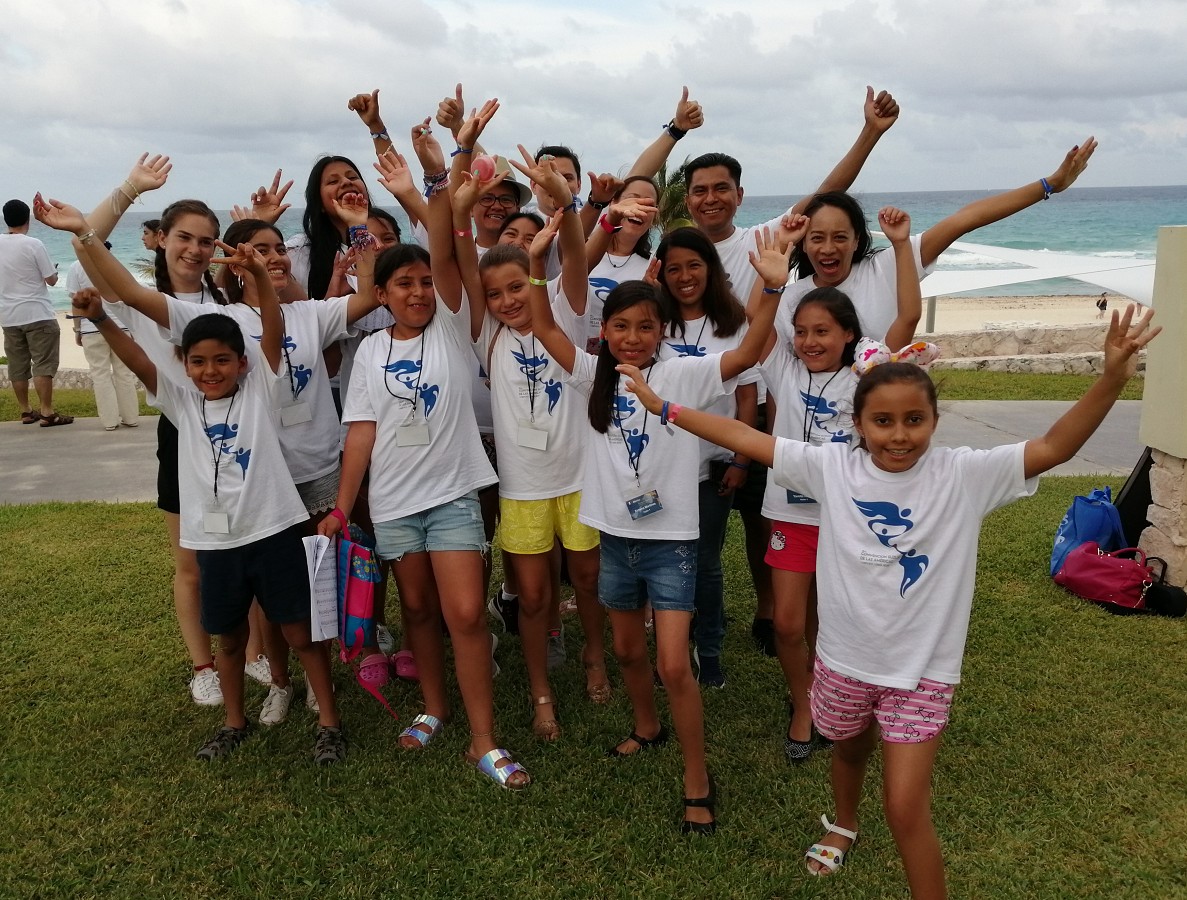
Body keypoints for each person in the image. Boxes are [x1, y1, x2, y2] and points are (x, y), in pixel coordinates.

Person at [617, 304, 1158, 897]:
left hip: (921, 674)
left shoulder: (963, 476)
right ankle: (844, 823)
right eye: (883, 421)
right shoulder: (832, 468)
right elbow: (746, 435)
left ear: (933, 419)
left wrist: (1111, 379)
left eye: (914, 420)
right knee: (847, 755)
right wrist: (664, 407)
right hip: (845, 662)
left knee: (905, 808)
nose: (899, 435)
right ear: (859, 423)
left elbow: (1054, 446)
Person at [39, 195, 348, 762]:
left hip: (274, 527)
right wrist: (102, 319)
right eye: (199, 362)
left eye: (223, 361)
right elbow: (138, 360)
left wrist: (257, 273)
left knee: (299, 632)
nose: (211, 371)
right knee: (230, 636)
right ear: (184, 366)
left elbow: (274, 336)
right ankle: (234, 722)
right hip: (216, 539)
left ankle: (328, 719)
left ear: (245, 364)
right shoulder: (182, 401)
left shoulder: (260, 386)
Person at [524, 218, 791, 832]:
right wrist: (537, 265)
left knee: (674, 663)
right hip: (615, 537)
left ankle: (698, 777)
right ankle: (647, 726)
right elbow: (542, 326)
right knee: (624, 649)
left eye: (646, 326)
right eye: (620, 326)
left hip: (672, 539)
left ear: (663, 329)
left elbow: (749, 353)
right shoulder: (594, 374)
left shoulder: (684, 373)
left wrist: (771, 290)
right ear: (604, 331)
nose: (633, 337)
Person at [319, 117, 530, 790]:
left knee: (465, 614)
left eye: (420, 282)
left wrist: (442, 167)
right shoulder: (372, 350)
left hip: (451, 497)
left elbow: (442, 247)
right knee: (416, 615)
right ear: (379, 294)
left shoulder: (450, 330)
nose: (413, 292)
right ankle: (434, 710)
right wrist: (340, 509)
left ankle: (483, 738)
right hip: (392, 505)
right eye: (398, 285)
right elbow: (361, 434)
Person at [682, 87, 901, 655]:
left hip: (763, 401)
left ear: (738, 195)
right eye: (699, 191)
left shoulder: (766, 240)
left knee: (762, 519)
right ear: (685, 202)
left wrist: (870, 135)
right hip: (719, 397)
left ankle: (771, 614)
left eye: (720, 190)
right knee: (728, 533)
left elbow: (829, 194)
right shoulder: (677, 251)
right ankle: (752, 628)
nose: (711, 200)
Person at [755, 207, 924, 763]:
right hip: (789, 513)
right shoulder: (783, 365)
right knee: (786, 621)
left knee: (831, 620)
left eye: (822, 331)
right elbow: (761, 329)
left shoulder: (866, 375)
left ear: (850, 334)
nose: (808, 341)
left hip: (846, 518)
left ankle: (832, 699)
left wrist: (900, 245)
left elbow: (906, 319)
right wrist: (774, 279)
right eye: (801, 331)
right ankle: (802, 701)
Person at [452, 146, 609, 735]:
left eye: (518, 286)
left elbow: (573, 255)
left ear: (534, 281)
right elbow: (464, 265)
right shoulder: (487, 331)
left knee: (590, 578)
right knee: (534, 596)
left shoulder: (563, 312)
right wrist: (463, 211)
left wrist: (566, 204)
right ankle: (541, 689)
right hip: (522, 487)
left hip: (579, 475)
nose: (508, 300)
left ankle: (595, 655)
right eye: (496, 294)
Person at [778, 137, 1099, 344]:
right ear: (803, 243)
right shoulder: (790, 300)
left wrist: (1050, 184)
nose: (829, 248)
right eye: (817, 238)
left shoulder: (886, 268)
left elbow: (964, 220)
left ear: (857, 239)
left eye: (840, 237)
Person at [652, 226, 767, 687]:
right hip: (662, 465)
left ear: (711, 269)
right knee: (666, 562)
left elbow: (746, 399)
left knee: (704, 561)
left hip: (713, 465)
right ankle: (671, 651)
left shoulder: (734, 322)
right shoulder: (654, 320)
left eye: (694, 265)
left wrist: (741, 461)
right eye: (674, 267)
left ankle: (710, 650)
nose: (684, 276)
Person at [1, 198, 71, 427]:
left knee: (17, 366)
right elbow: (50, 280)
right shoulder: (33, 244)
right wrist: (55, 274)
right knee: (43, 364)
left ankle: (25, 411)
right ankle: (47, 412)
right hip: (37, 312)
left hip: (9, 316)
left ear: (5, 219)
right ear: (27, 219)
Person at [65, 252, 140, 430]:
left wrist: (77, 329)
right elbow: (127, 297)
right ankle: (131, 417)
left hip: (92, 327)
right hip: (121, 326)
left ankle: (109, 421)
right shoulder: (115, 263)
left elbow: (76, 302)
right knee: (124, 373)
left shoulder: (76, 266)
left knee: (100, 375)